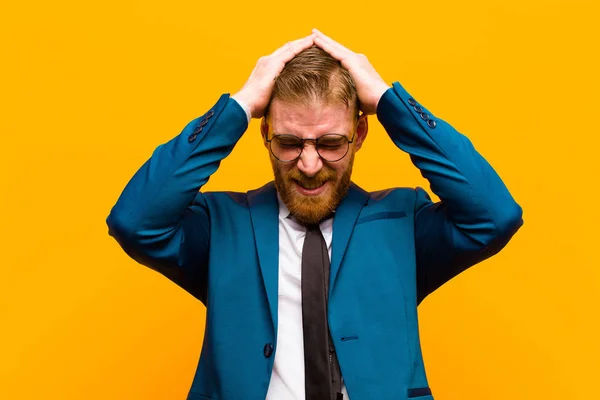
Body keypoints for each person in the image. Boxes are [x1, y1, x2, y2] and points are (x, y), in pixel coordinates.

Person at [106, 29, 523, 400]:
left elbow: (495, 216)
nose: (308, 164)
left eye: (330, 142)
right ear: (266, 133)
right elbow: (134, 221)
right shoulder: (222, 226)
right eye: (289, 142)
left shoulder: (402, 221)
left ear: (359, 134)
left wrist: (388, 101)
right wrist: (238, 107)